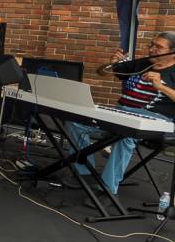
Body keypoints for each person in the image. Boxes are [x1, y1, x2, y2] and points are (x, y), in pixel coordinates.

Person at [63, 32, 175, 203]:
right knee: (76, 121)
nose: (152, 49)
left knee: (125, 136)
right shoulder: (142, 63)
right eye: (151, 45)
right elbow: (101, 72)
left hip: (155, 121)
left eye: (158, 47)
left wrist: (160, 86)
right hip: (121, 111)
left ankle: (107, 189)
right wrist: (113, 63)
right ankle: (84, 173)